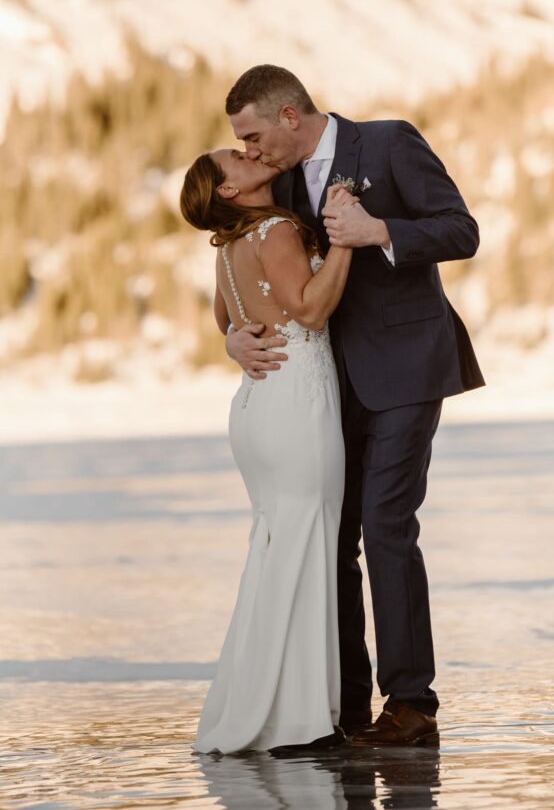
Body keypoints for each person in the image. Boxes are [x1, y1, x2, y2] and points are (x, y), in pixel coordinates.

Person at [225, 65, 485, 748]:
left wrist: (380, 232)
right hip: (321, 386)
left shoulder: (390, 143)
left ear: (289, 116)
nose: (248, 152)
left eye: (253, 135)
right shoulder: (274, 185)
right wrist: (231, 335)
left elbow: (461, 230)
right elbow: (245, 270)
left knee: (386, 520)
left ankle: (410, 703)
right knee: (334, 537)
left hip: (406, 366)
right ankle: (342, 706)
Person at [180, 146, 359, 754]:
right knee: (307, 544)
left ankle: (270, 707)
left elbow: (224, 317)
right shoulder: (277, 229)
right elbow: (308, 311)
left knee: (277, 550)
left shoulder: (230, 249)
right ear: (228, 190)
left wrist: (234, 340)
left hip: (257, 407)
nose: (244, 152)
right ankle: (302, 723)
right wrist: (344, 240)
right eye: (232, 156)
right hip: (294, 404)